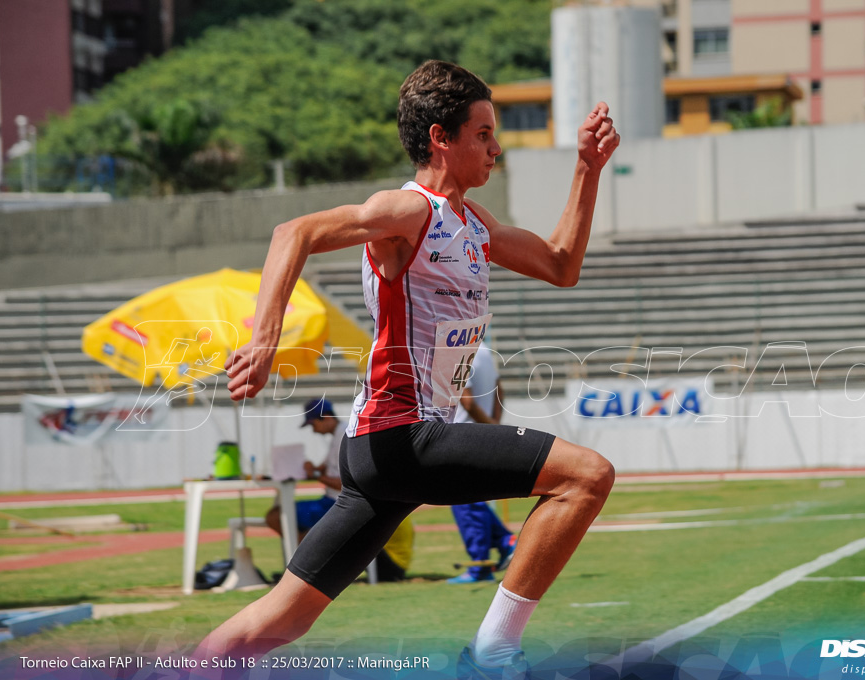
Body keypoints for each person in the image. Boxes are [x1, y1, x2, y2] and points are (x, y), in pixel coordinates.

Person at [196, 60, 619, 679]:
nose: (495, 149)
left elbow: (560, 265)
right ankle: (494, 653)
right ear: (440, 139)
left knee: (281, 618)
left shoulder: (475, 226)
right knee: (587, 476)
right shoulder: (405, 212)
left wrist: (587, 169)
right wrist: (263, 343)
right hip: (401, 434)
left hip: (390, 449)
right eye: (483, 134)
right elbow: (295, 232)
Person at [265, 398, 413, 582]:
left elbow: (350, 483)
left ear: (326, 417)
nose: (313, 430)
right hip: (338, 502)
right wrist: (314, 469)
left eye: (313, 424)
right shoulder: (341, 434)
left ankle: (301, 569)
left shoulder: (345, 435)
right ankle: (303, 565)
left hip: (339, 503)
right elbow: (330, 470)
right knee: (287, 521)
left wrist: (317, 476)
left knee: (277, 517)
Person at [449, 343, 518, 584]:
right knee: (471, 500)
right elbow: (500, 388)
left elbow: (466, 402)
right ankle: (506, 541)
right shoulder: (485, 350)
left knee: (464, 502)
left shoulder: (457, 351)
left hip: (465, 436)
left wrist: (489, 428)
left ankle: (480, 566)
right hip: (480, 435)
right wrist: (495, 424)